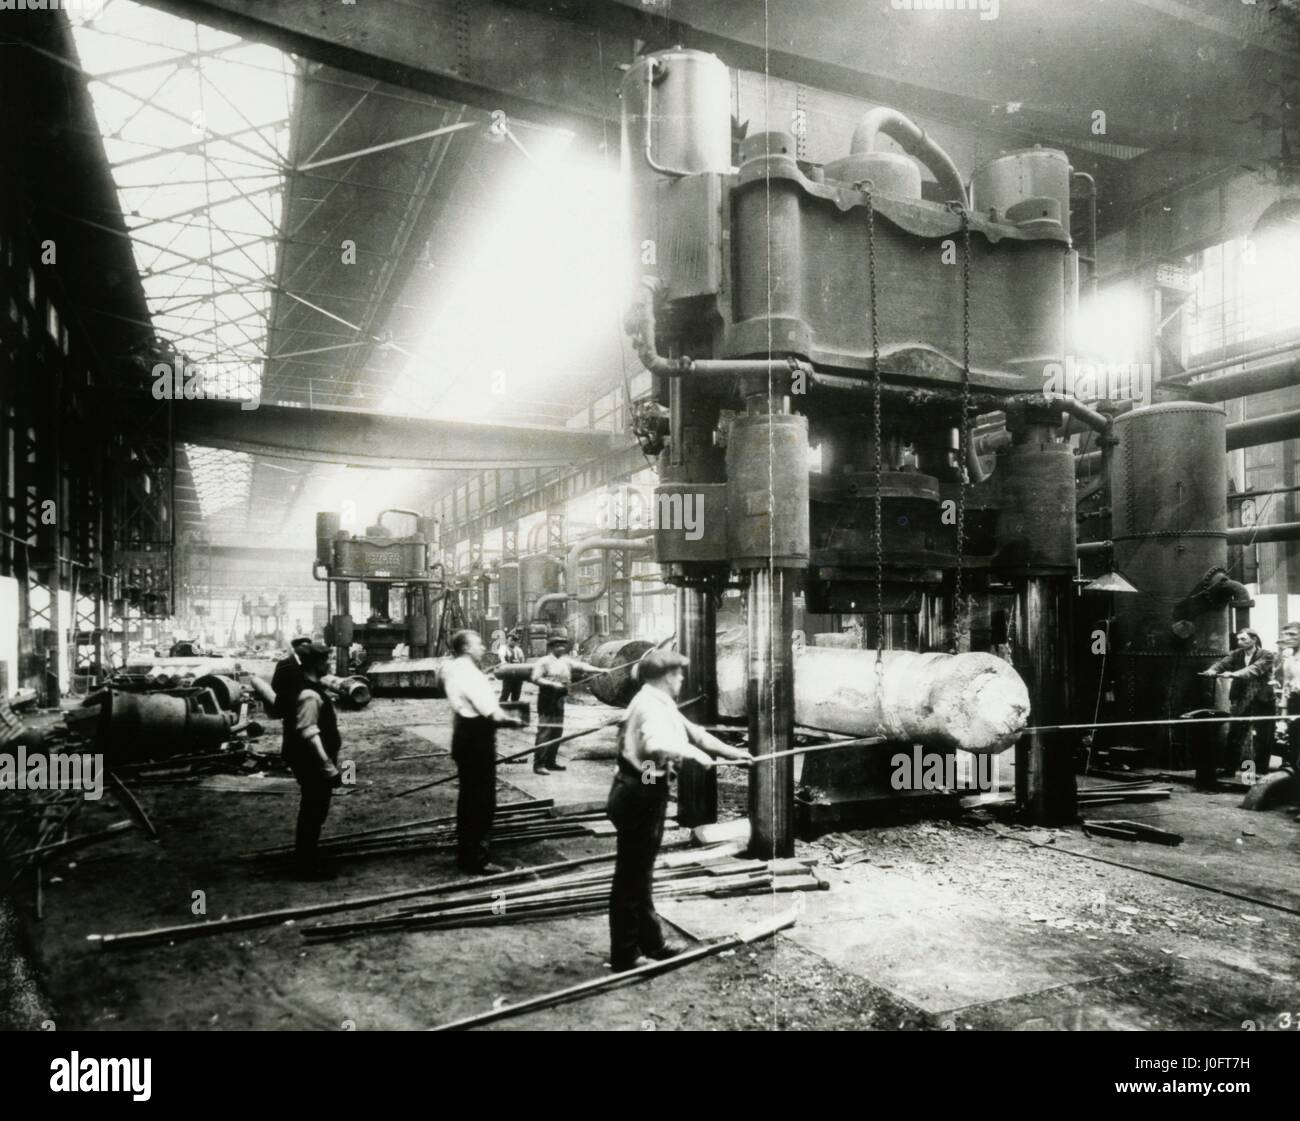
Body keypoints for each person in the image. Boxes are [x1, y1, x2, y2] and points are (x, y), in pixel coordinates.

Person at [606, 649, 751, 972]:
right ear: (667, 676)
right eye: (679, 674)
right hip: (638, 794)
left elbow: (694, 732)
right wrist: (696, 757)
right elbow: (657, 744)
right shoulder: (648, 706)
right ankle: (625, 954)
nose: (683, 679)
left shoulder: (659, 701)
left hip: (645, 788)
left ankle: (652, 943)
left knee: (641, 873)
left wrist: (733, 753)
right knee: (631, 877)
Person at [442, 629, 525, 875]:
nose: (483, 648)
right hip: (477, 739)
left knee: (468, 798)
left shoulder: (451, 668)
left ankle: (467, 853)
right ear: (466, 648)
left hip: (463, 734)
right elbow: (493, 713)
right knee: (482, 801)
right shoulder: (470, 675)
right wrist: (515, 720)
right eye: (478, 644)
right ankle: (477, 860)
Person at [279, 641, 344, 879]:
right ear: (315, 663)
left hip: (311, 762)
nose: (328, 664)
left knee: (315, 811)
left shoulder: (311, 688)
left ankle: (308, 859)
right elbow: (308, 732)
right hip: (312, 763)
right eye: (326, 660)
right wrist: (328, 767)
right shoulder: (308, 694)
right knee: (313, 812)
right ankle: (306, 867)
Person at [1200, 629, 1277, 775]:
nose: (1239, 642)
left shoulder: (1266, 655)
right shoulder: (1236, 654)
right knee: (1235, 734)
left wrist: (1234, 674)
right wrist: (1212, 670)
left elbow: (1254, 670)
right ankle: (1229, 769)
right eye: (1238, 639)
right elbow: (1222, 664)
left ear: (1254, 639)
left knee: (1262, 737)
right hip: (1241, 699)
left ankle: (1260, 771)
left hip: (1262, 699)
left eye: (1243, 639)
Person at [530, 634, 601, 775]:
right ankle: (539, 764)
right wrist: (552, 684)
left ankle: (551, 762)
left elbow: (582, 666)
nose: (561, 648)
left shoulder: (566, 661)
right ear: (551, 647)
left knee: (557, 731)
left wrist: (600, 670)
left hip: (559, 699)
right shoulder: (543, 662)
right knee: (545, 731)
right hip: (547, 698)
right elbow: (535, 678)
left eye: (563, 645)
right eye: (558, 645)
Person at [270, 636, 314, 720]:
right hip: (288, 708)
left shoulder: (310, 665)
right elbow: (275, 685)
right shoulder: (284, 664)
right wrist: (292, 698)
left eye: (308, 647)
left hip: (306, 707)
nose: (307, 649)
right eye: (304, 647)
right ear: (296, 649)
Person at [498, 630, 526, 703]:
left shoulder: (518, 650)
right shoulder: (503, 648)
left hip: (517, 674)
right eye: (511, 640)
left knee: (516, 694)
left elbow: (522, 661)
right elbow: (502, 659)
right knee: (505, 694)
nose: (513, 642)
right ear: (507, 640)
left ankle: (514, 709)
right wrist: (505, 663)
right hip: (508, 673)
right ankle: (501, 708)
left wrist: (519, 664)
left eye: (515, 640)